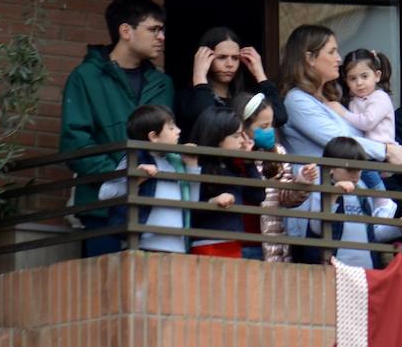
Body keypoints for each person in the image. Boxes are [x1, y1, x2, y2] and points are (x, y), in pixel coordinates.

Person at [59, 0, 175, 257]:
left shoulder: (162, 83)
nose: (161, 37)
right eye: (153, 29)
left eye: (162, 30)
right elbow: (74, 144)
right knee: (105, 290)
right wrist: (123, 173)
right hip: (103, 208)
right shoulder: (86, 77)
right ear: (126, 31)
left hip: (155, 206)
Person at [276, 25, 402, 168]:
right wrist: (386, 151)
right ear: (310, 59)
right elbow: (338, 142)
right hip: (319, 187)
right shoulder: (297, 100)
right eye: (332, 52)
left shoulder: (332, 97)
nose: (339, 59)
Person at [299, 137, 402, 268]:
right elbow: (316, 227)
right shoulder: (321, 187)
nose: (356, 175)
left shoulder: (361, 190)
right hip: (332, 272)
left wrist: (400, 225)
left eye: (359, 169)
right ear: (331, 167)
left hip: (364, 272)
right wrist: (333, 197)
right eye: (350, 169)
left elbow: (373, 233)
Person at [97, 104, 199, 254]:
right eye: (171, 128)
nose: (178, 131)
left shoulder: (176, 161)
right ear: (153, 137)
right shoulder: (135, 158)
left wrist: (192, 165)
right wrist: (136, 180)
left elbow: (193, 201)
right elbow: (105, 193)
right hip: (144, 245)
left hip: (178, 247)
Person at [233, 91, 316, 263]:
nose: (269, 130)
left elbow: (285, 197)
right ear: (242, 127)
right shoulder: (231, 154)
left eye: (271, 125)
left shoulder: (277, 153)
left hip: (269, 243)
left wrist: (301, 182)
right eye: (262, 127)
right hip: (236, 241)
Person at [176, 26, 288, 139]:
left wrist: (260, 73)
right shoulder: (188, 97)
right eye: (222, 57)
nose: (230, 64)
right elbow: (206, 122)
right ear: (205, 59)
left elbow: (279, 117)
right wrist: (199, 75)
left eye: (235, 58)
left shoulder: (245, 97)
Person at [188, 106, 266, 259]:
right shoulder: (198, 165)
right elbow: (192, 205)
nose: (242, 141)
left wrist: (248, 161)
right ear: (218, 138)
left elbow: (258, 195)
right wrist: (213, 201)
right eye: (236, 136)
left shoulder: (233, 165)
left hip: (234, 241)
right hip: (208, 243)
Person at [330, 48, 396, 146]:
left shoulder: (380, 98)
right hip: (365, 150)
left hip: (384, 150)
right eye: (352, 78)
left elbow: (367, 122)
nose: (359, 83)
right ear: (346, 81)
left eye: (364, 76)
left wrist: (343, 113)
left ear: (377, 76)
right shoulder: (353, 101)